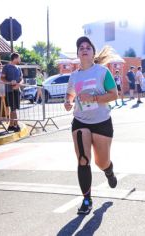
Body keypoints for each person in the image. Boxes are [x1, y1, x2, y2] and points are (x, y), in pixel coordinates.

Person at [64, 36, 118, 215]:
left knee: (101, 162)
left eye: (88, 47)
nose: (84, 49)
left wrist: (94, 98)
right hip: (80, 120)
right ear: (78, 54)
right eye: (81, 47)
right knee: (83, 160)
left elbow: (114, 95)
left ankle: (108, 170)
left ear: (93, 53)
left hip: (102, 122)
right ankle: (86, 199)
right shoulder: (74, 76)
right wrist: (67, 102)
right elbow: (70, 94)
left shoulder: (102, 72)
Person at [1, 52, 23, 132]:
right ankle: (16, 125)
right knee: (13, 109)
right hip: (9, 91)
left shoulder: (19, 68)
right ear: (15, 58)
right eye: (19, 58)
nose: (20, 59)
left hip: (17, 91)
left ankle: (11, 125)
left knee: (14, 109)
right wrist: (9, 83)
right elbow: (2, 78)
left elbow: (21, 79)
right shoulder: (6, 67)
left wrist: (19, 84)